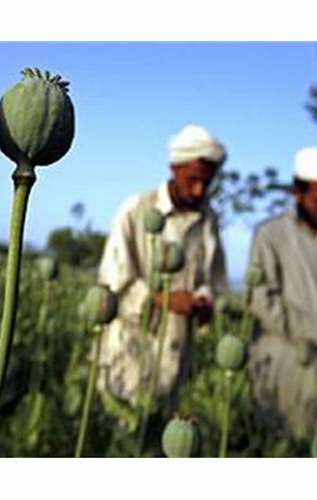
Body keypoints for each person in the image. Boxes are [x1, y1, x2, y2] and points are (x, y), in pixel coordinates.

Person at [96, 125, 229, 409]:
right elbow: (112, 282)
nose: (199, 190)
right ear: (174, 168)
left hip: (178, 357)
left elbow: (213, 280)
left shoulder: (209, 220)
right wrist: (164, 299)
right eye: (193, 179)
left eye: (207, 182)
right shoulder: (136, 209)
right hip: (130, 353)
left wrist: (204, 301)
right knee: (126, 426)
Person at [247, 146, 317, 441]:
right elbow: (261, 301)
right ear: (297, 193)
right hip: (283, 367)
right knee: (282, 446)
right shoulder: (270, 235)